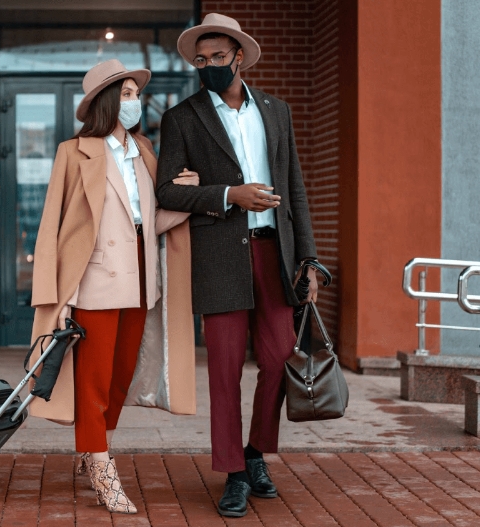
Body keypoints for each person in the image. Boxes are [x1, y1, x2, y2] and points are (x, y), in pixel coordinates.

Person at [156, 13, 319, 518]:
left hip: (276, 252)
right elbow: (166, 191)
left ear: (239, 58)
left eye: (217, 58)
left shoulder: (276, 111)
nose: (208, 67)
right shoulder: (181, 117)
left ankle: (255, 453)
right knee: (225, 370)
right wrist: (230, 194)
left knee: (277, 358)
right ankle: (232, 472)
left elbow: (294, 188)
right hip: (220, 253)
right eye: (200, 61)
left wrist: (309, 258)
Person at [28, 59, 198, 514]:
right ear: (106, 101)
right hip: (95, 284)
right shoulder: (74, 151)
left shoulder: (144, 149)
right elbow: (53, 226)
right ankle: (103, 471)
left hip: (143, 284)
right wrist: (56, 298)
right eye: (124, 95)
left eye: (134, 94)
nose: (134, 102)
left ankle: (89, 448)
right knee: (94, 383)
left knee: (121, 378)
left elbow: (151, 220)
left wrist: (190, 199)